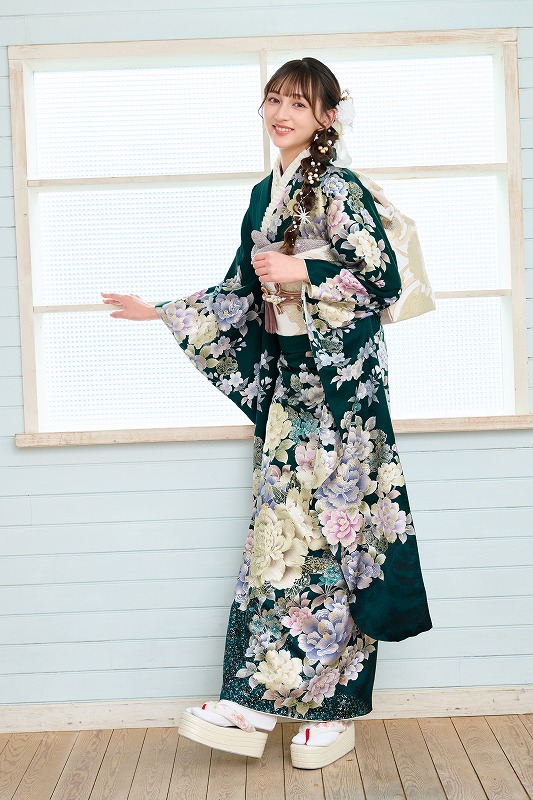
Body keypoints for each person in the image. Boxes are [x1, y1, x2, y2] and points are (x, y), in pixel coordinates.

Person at [101, 57, 433, 771]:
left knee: (340, 541)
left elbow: (382, 281)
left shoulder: (339, 187)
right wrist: (162, 311)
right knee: (279, 541)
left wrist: (304, 270)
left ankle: (332, 711)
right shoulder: (265, 193)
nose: (282, 113)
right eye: (274, 99)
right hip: (291, 387)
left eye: (299, 104)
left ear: (327, 116)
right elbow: (240, 291)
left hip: (341, 396)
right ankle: (256, 699)